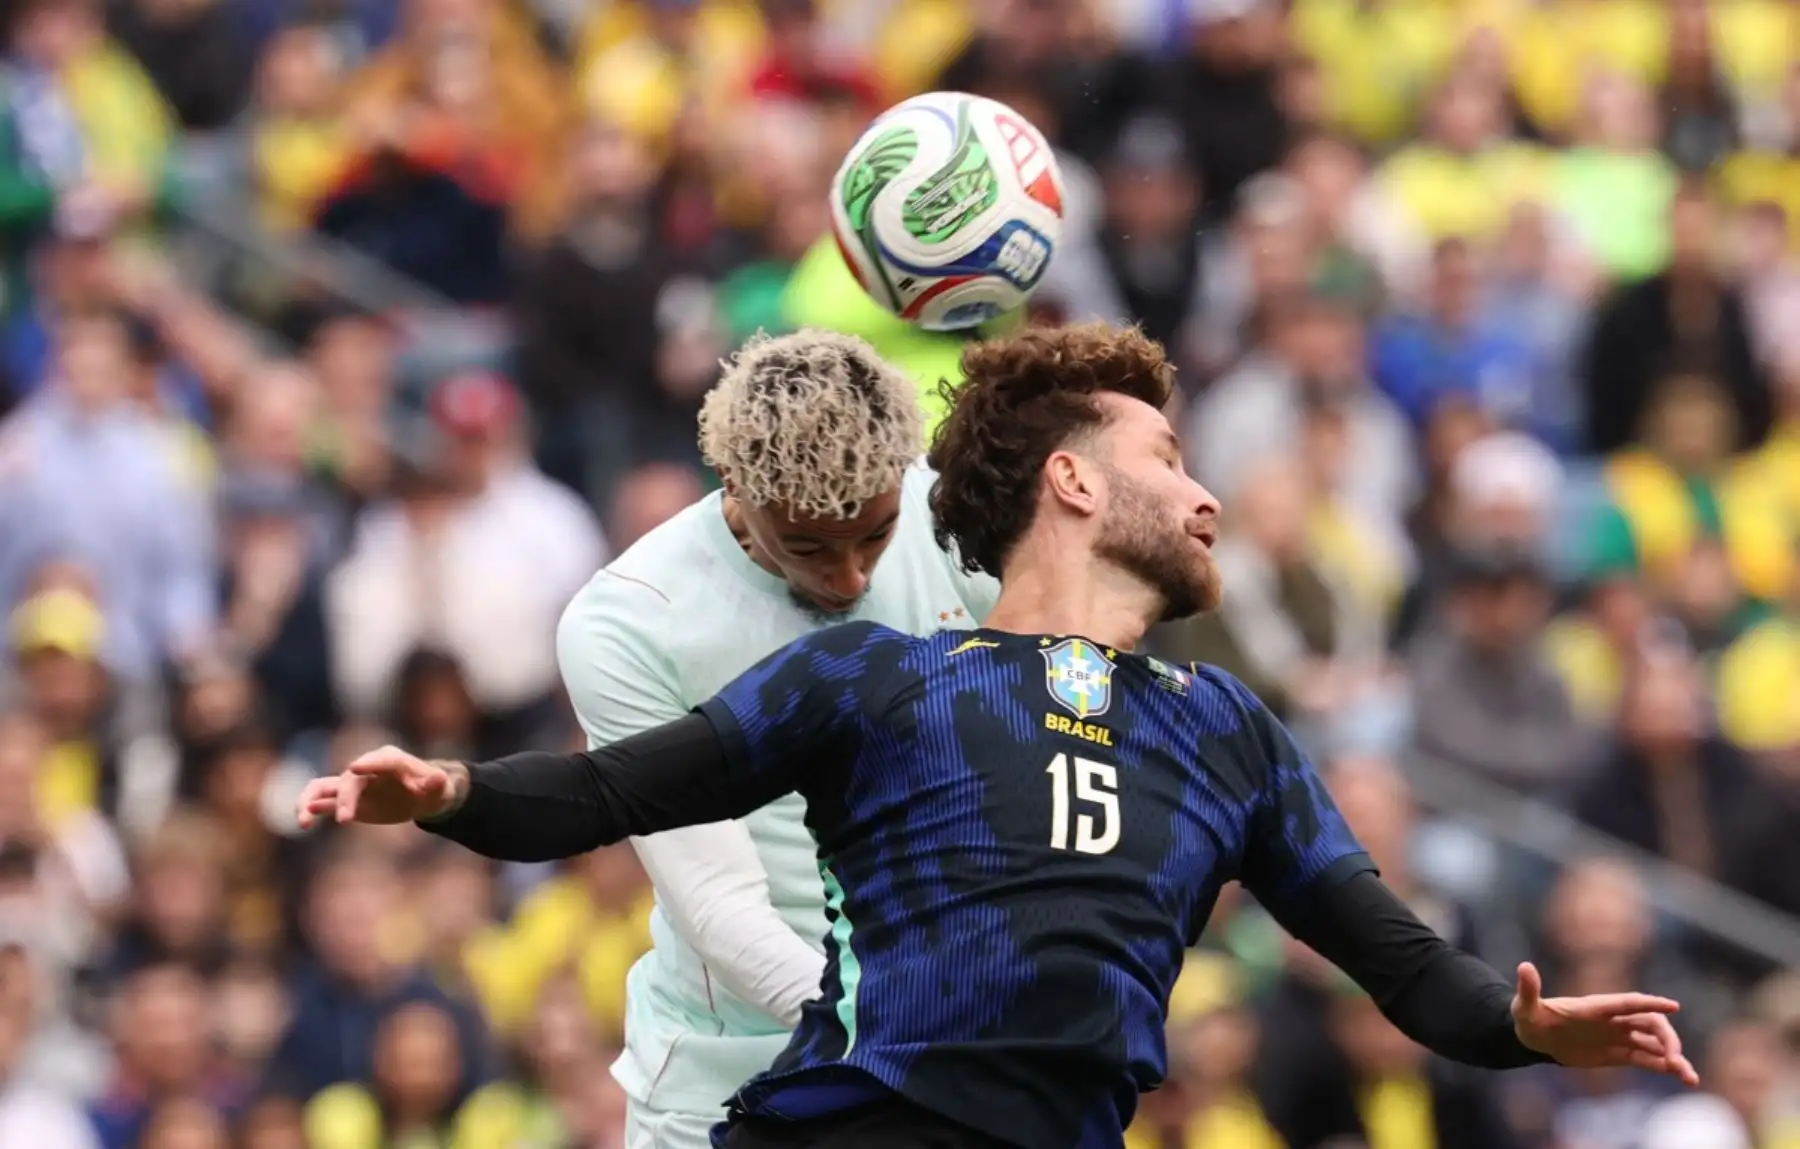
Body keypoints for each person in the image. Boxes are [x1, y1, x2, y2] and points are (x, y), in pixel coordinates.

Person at [300, 323, 1699, 1149]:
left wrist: (1522, 1028)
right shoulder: (877, 682)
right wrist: (446, 792)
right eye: (1170, 459)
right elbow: (602, 795)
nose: (1206, 497)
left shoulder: (1229, 732)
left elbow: (1411, 971)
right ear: (1075, 482)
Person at [461, 329, 1001, 1148]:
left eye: (874, 536)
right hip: (731, 1080)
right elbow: (717, 905)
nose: (852, 575)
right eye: (811, 545)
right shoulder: (632, 618)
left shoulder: (947, 517)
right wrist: (889, 1030)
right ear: (737, 489)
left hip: (955, 1046)